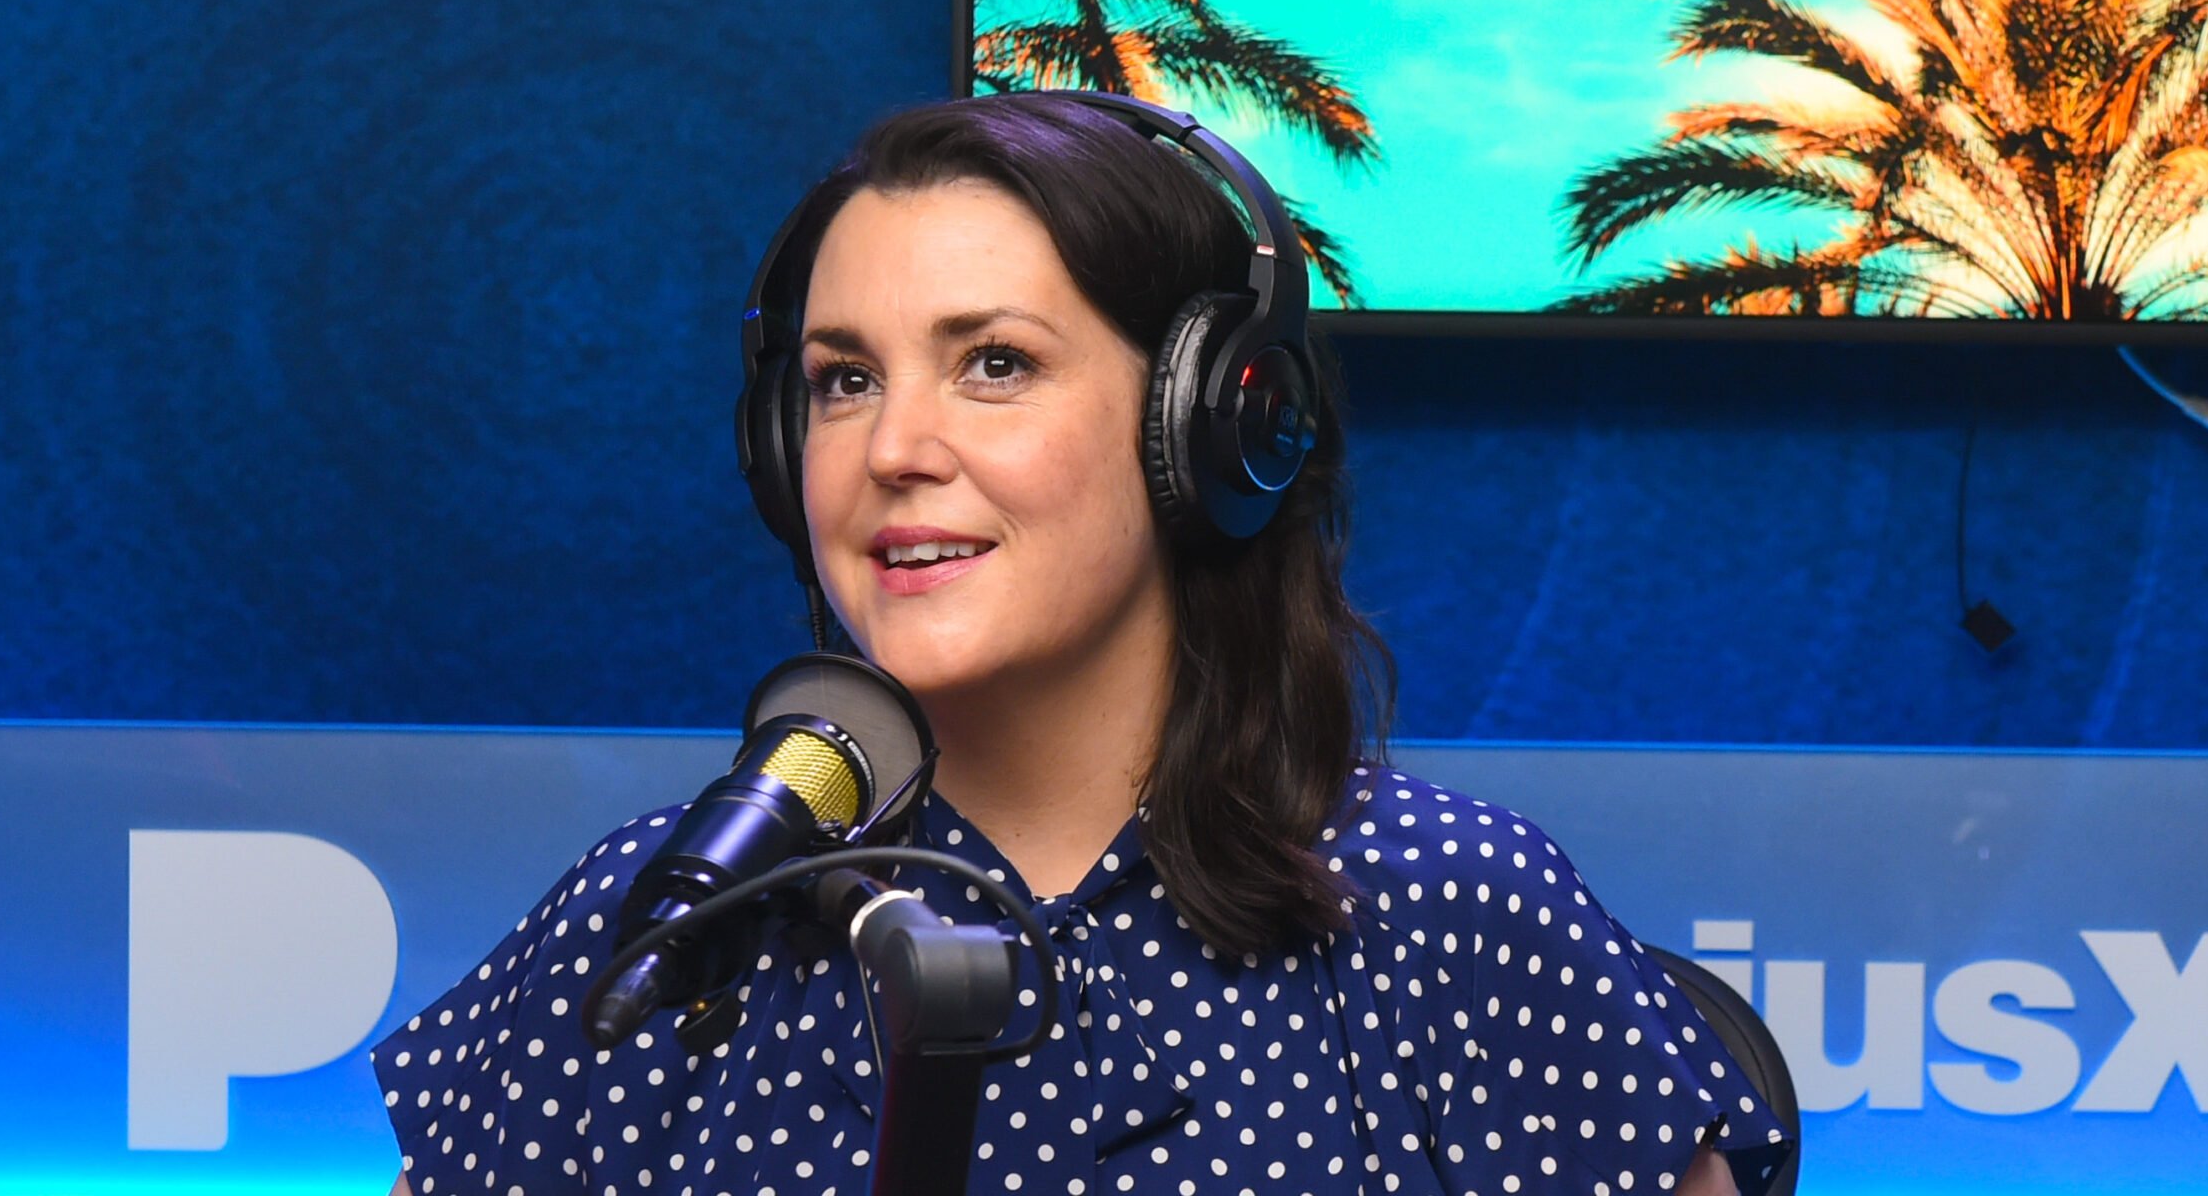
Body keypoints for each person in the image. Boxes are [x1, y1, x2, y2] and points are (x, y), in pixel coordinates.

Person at [373, 93, 1794, 1196]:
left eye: (994, 363)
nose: (894, 450)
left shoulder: (1450, 911)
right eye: (842, 381)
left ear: (1208, 425)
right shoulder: (662, 920)